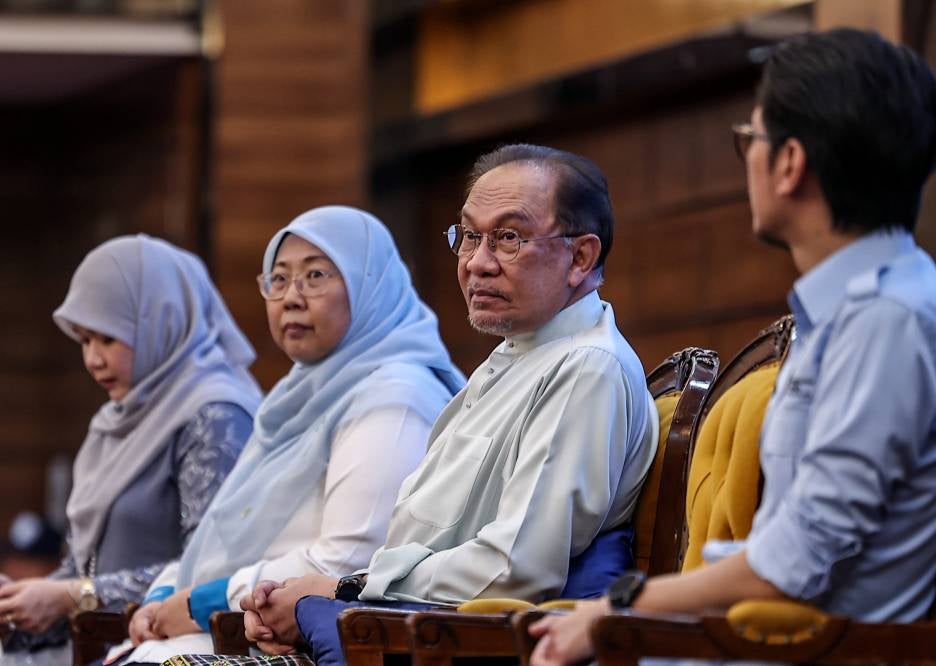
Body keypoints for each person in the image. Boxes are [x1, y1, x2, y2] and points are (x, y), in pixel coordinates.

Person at [529, 28, 936, 665]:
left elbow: (792, 564)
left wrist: (618, 609)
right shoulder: (862, 310)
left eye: (748, 139)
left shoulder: (885, 319)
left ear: (790, 163)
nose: (745, 159)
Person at [234, 144, 659, 665]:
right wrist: (322, 595)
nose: (477, 264)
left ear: (580, 257)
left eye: (507, 237)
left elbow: (518, 566)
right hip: (411, 627)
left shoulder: (586, 367)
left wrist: (345, 591)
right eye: (470, 237)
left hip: (457, 645)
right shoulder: (517, 356)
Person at [111, 206, 464, 664]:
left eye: (316, 275)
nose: (291, 297)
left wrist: (204, 602)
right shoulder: (295, 399)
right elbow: (223, 532)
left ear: (371, 284)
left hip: (302, 637)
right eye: (277, 279)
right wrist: (163, 595)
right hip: (235, 625)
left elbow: (351, 561)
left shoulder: (395, 396)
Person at [0, 235, 262, 666]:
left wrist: (69, 597)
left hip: (164, 652)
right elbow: (85, 571)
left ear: (162, 322)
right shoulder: (118, 420)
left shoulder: (215, 417)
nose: (93, 360)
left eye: (107, 338)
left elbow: (211, 573)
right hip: (91, 645)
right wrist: (19, 601)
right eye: (84, 340)